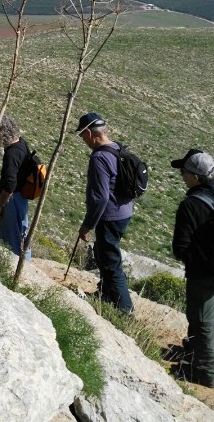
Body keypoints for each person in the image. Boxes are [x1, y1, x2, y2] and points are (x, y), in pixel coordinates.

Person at [170, 149, 214, 388]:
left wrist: (193, 260)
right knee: (212, 311)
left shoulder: (191, 204)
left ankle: (204, 372)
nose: (182, 175)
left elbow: (180, 247)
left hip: (203, 272)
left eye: (184, 172)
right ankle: (199, 349)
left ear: (195, 176)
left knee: (200, 318)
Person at [75, 111, 134, 315]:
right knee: (104, 255)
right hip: (124, 212)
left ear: (90, 133)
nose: (83, 140)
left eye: (83, 136)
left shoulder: (99, 157)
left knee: (111, 263)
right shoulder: (116, 148)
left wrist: (87, 225)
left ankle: (125, 310)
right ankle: (107, 294)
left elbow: (100, 198)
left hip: (109, 217)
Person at [0, 112, 32, 259]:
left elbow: (10, 185)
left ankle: (12, 269)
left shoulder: (11, 154)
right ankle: (24, 265)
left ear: (2, 130)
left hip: (12, 201)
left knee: (11, 240)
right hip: (21, 199)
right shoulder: (21, 144)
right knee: (22, 235)